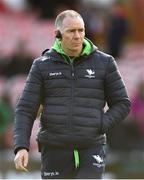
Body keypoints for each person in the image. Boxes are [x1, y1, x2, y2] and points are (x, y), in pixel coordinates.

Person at [13, 10, 131, 179]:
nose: (77, 36)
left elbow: (122, 103)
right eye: (71, 31)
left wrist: (101, 123)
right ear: (58, 34)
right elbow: (25, 109)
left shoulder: (105, 62)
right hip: (54, 149)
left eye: (81, 30)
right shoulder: (41, 66)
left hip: (91, 148)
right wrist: (21, 147)